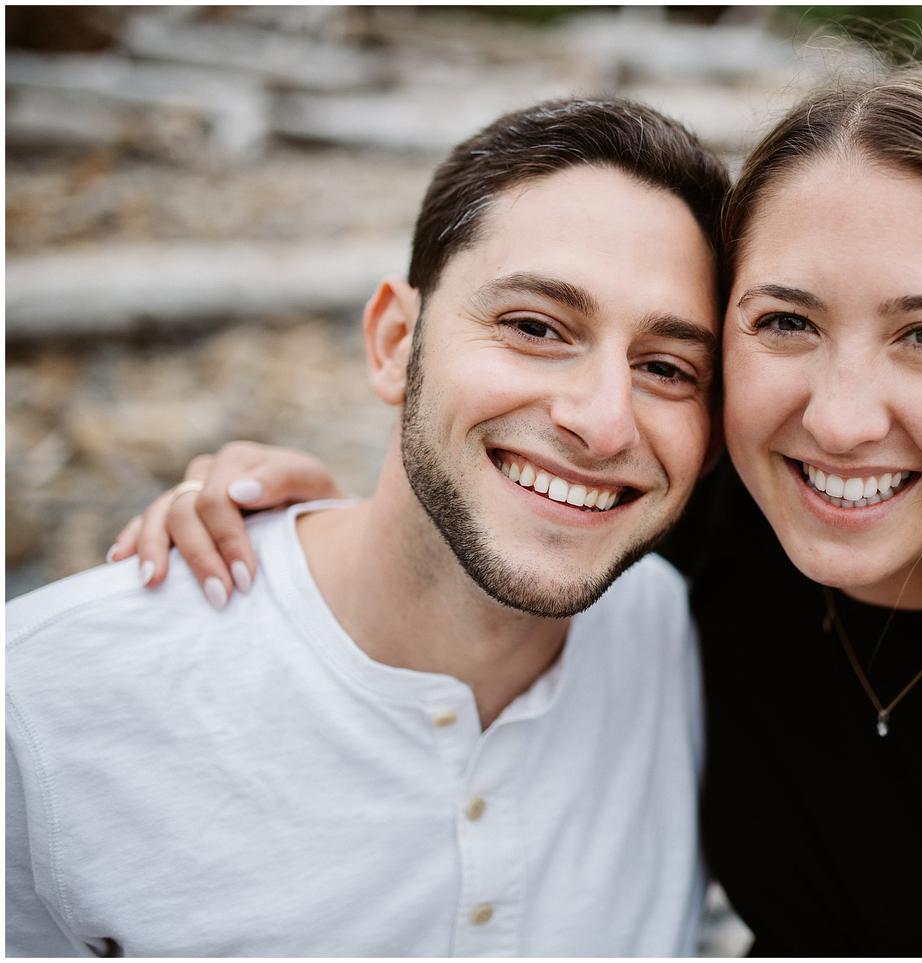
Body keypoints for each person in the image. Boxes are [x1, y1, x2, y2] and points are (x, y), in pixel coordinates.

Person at [108, 66, 922, 956]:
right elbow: (512, 482)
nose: (837, 418)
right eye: (785, 324)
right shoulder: (724, 540)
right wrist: (285, 499)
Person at [6, 97, 731, 956]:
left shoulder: (692, 634)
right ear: (394, 340)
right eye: (534, 326)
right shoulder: (47, 703)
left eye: (667, 367)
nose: (604, 421)